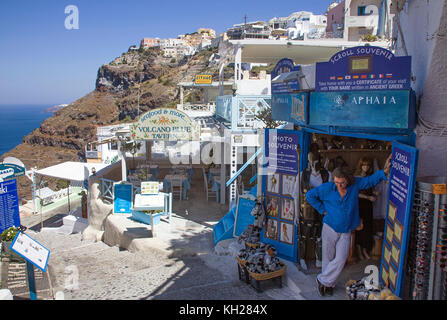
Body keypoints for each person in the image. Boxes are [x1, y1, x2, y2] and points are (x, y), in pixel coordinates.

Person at [306, 155, 391, 297]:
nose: (339, 185)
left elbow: (369, 181)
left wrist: (384, 172)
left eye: (342, 182)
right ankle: (329, 284)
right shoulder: (327, 188)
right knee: (327, 258)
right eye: (337, 182)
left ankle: (322, 280)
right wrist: (322, 210)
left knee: (340, 259)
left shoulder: (354, 184)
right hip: (329, 228)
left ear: (347, 180)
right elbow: (310, 195)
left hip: (346, 230)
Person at [299, 151, 331, 271]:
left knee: (320, 234)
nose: (314, 165)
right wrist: (296, 213)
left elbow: (332, 193)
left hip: (322, 209)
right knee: (304, 234)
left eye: (316, 161)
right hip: (306, 209)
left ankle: (319, 259)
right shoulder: (302, 174)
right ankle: (302, 258)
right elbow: (296, 194)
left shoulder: (327, 175)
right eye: (312, 162)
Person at [354, 157, 375, 260]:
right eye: (364, 165)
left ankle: (365, 249)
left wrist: (374, 193)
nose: (366, 167)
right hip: (360, 204)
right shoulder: (356, 177)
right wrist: (368, 197)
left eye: (367, 165)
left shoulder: (369, 177)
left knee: (367, 227)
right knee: (360, 227)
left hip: (368, 205)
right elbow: (355, 193)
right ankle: (359, 250)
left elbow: (370, 190)